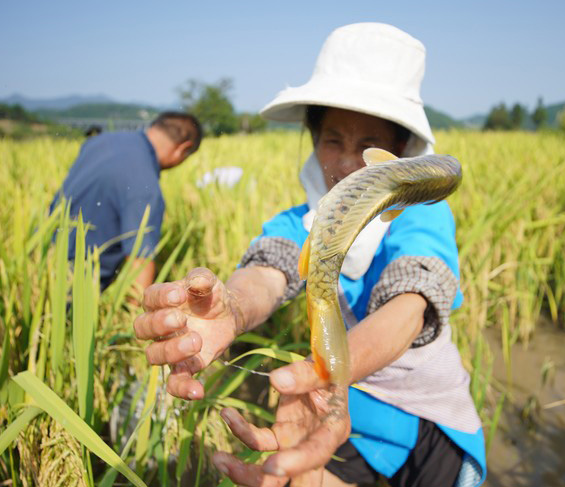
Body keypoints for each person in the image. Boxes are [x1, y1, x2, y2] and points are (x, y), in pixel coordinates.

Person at [134, 23, 486, 487]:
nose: (344, 163)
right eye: (332, 140)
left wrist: (330, 369)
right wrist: (232, 308)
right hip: (344, 404)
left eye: (366, 146)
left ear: (398, 152)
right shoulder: (301, 224)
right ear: (313, 140)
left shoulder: (420, 217)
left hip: (428, 416)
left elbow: (409, 308)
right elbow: (267, 272)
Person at [50, 112, 202, 292]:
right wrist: (135, 314)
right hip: (76, 288)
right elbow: (139, 263)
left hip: (43, 257)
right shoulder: (146, 187)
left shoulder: (99, 141)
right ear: (183, 149)